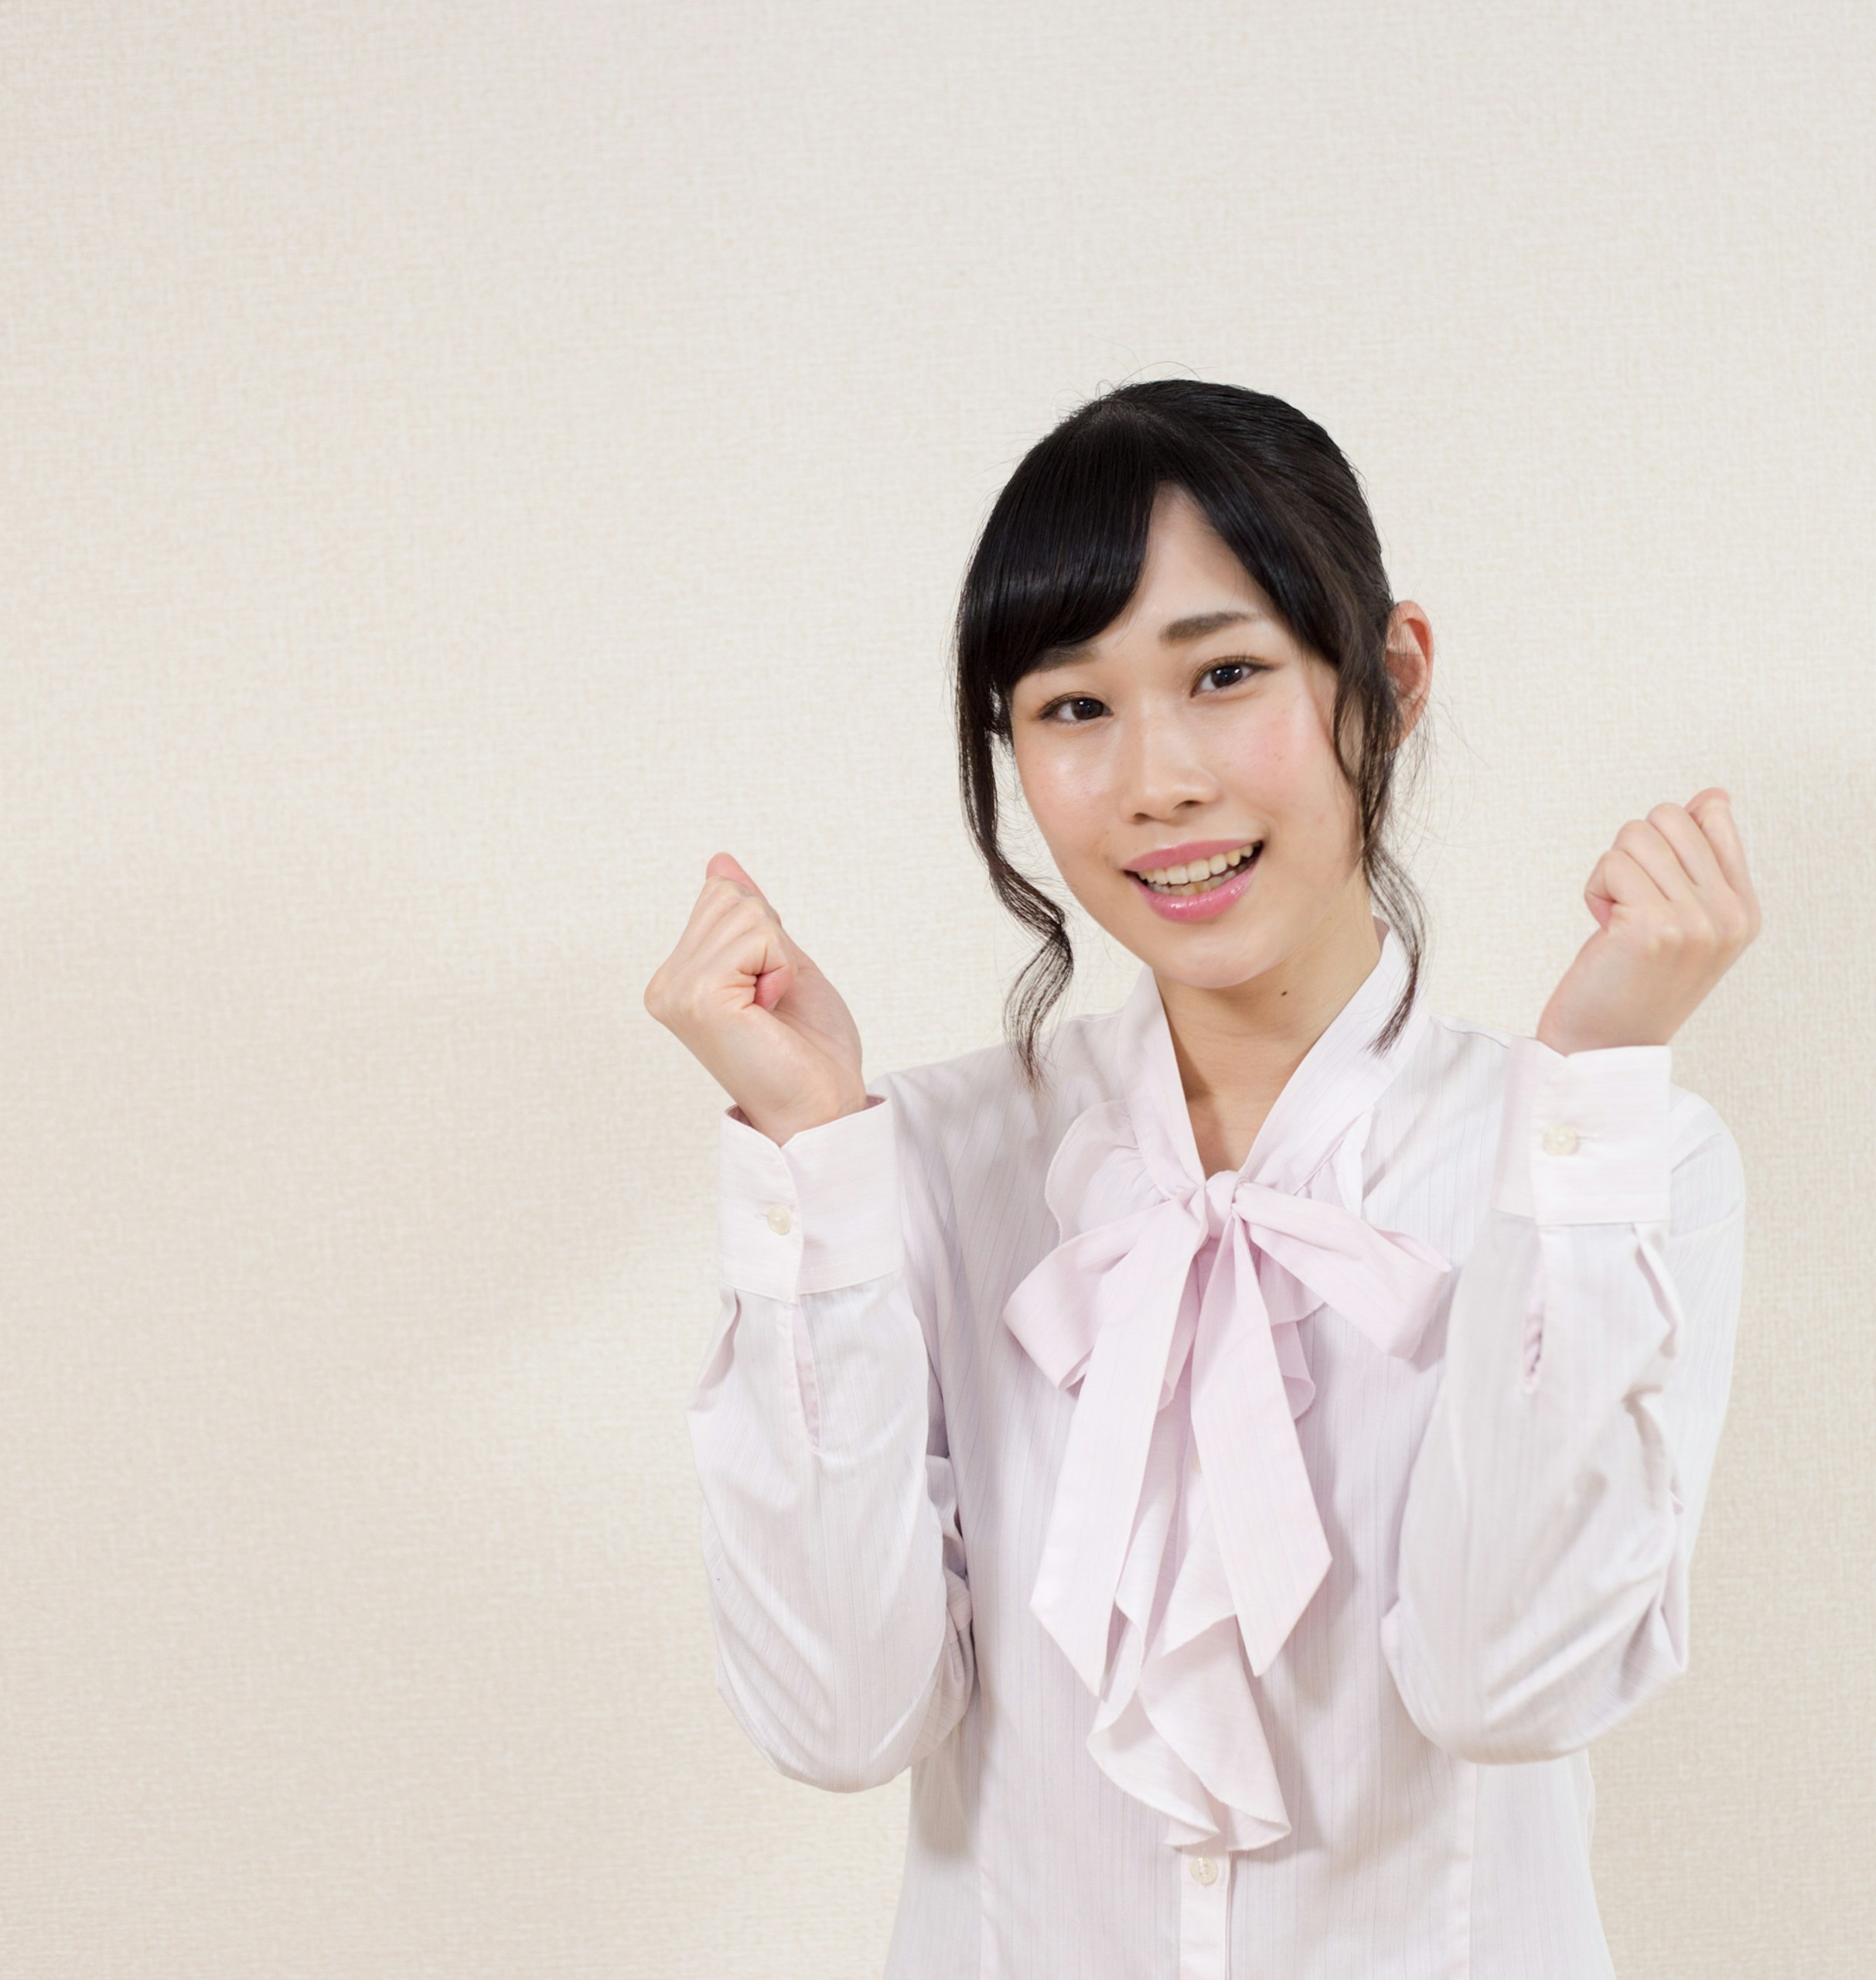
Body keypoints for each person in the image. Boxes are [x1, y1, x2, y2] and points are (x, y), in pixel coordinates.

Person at [645, 380, 1760, 1979]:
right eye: (1072, 707)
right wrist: (810, 1168)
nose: (1156, 780)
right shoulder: (932, 1165)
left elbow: (1506, 1684)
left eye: (1224, 674)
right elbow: (838, 1717)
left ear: (1390, 676)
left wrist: (1585, 1092)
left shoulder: (1607, 1160)